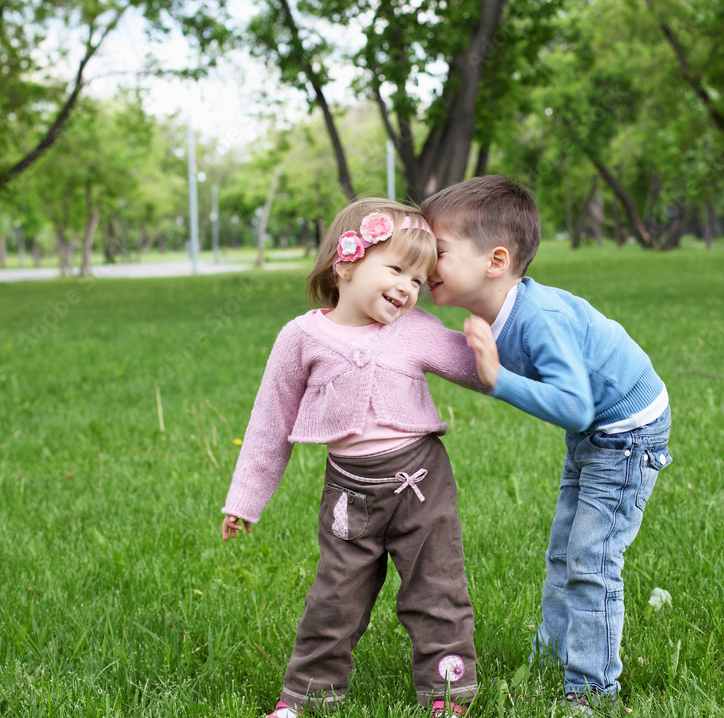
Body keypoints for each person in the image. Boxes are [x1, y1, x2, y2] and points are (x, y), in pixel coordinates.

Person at [221, 198, 485, 718]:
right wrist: (245, 500)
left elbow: (476, 369)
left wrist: (506, 350)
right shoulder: (302, 337)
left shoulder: (414, 328)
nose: (408, 288)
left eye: (418, 279)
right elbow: (270, 422)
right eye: (396, 270)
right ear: (345, 264)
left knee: (436, 588)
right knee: (335, 598)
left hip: (422, 483)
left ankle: (447, 694)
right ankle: (306, 696)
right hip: (350, 492)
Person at [422, 176, 673, 713]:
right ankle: (553, 657)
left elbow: (575, 406)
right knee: (563, 551)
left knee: (591, 560)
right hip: (595, 433)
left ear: (495, 261)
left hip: (627, 434)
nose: (425, 264)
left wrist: (498, 380)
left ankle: (592, 690)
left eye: (437, 251)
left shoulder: (540, 319)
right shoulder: (495, 312)